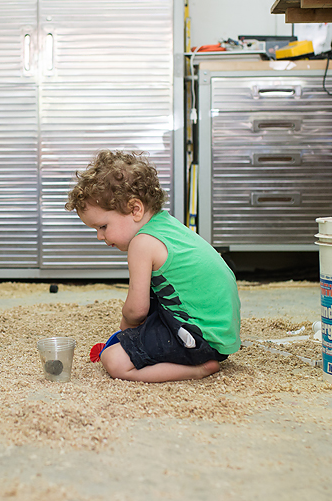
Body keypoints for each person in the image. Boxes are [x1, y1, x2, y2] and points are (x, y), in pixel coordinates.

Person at [65, 150, 241, 383]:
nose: (99, 236)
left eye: (103, 226)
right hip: (220, 330)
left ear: (135, 209)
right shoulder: (165, 224)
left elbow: (136, 311)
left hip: (202, 339)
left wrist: (122, 336)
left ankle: (198, 370)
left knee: (114, 360)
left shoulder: (142, 243)